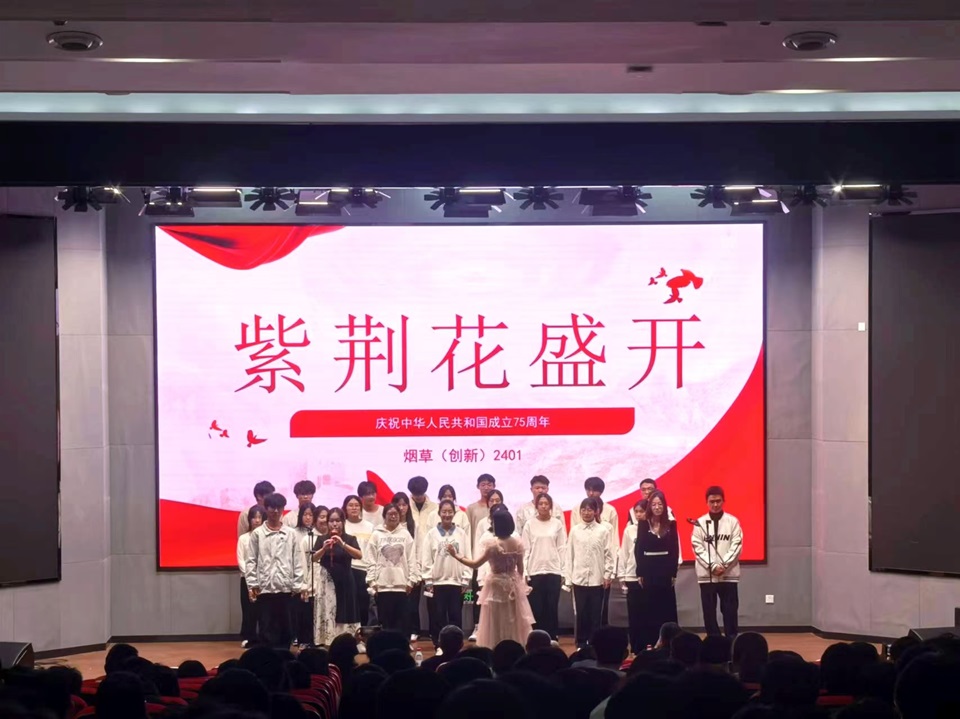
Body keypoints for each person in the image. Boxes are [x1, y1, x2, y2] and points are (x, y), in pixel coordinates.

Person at [446, 509, 535, 648]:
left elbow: (475, 564)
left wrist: (456, 555)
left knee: (495, 620)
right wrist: (514, 580)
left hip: (495, 585)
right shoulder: (517, 543)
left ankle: (495, 648)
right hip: (513, 584)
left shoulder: (493, 545)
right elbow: (521, 569)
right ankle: (515, 648)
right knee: (513, 619)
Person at [244, 492, 307, 649]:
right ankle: (268, 657)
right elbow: (251, 560)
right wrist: (252, 584)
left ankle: (285, 654)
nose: (276, 511)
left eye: (279, 507)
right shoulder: (258, 534)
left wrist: (297, 585)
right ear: (266, 509)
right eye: (272, 507)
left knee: (286, 628)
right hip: (265, 589)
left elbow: (297, 560)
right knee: (266, 628)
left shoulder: (291, 534)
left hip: (286, 589)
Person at [692, 485, 743, 638]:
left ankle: (731, 641)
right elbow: (697, 547)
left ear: (723, 501)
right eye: (712, 501)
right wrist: (712, 566)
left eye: (718, 501)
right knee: (709, 612)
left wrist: (723, 565)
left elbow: (737, 545)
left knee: (730, 610)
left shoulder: (733, 522)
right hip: (707, 576)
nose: (715, 504)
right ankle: (714, 642)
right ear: (706, 502)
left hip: (729, 575)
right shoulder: (700, 523)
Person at [421, 499, 472, 647]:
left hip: (457, 583)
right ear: (439, 513)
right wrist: (428, 580)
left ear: (454, 514)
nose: (447, 515)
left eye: (450, 512)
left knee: (456, 617)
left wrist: (465, 579)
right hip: (437, 583)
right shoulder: (431, 534)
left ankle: (456, 645)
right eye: (444, 511)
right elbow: (426, 559)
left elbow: (467, 557)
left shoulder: (461, 534)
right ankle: (439, 645)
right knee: (438, 617)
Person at [566, 497, 614, 649]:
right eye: (584, 510)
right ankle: (581, 643)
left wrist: (607, 575)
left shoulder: (603, 531)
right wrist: (568, 578)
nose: (586, 513)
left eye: (590, 509)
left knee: (595, 614)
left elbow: (609, 554)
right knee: (581, 613)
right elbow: (569, 554)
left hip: (597, 579)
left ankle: (594, 643)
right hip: (579, 578)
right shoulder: (575, 531)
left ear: (596, 511)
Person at [634, 490, 679, 650]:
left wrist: (673, 572)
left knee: (666, 605)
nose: (657, 507)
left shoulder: (671, 524)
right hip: (649, 569)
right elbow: (639, 549)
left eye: (660, 504)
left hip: (665, 569)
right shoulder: (643, 524)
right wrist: (640, 571)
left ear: (664, 506)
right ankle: (651, 642)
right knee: (650, 606)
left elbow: (674, 549)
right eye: (654, 504)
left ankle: (669, 642)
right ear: (649, 506)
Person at [312, 507, 363, 646]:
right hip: (327, 581)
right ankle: (327, 640)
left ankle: (346, 641)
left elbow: (359, 555)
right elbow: (313, 558)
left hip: (346, 580)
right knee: (328, 609)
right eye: (331, 521)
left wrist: (342, 544)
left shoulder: (349, 538)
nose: (334, 524)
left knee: (345, 609)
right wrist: (323, 549)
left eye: (338, 521)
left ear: (343, 522)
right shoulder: (321, 539)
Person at [573, 477, 619, 625]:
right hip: (581, 570)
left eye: (595, 490)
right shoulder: (577, 509)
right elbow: (573, 542)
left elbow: (613, 543)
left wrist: (610, 572)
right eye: (588, 490)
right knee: (582, 610)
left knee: (600, 609)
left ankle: (600, 635)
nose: (591, 493)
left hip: (600, 570)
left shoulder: (610, 511)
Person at [365, 503, 417, 634]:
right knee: (385, 622)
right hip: (382, 586)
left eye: (396, 514)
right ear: (384, 516)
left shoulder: (405, 534)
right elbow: (371, 559)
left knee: (402, 621)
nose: (393, 517)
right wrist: (372, 581)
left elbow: (411, 559)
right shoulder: (376, 534)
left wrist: (411, 581)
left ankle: (403, 643)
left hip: (402, 586)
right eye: (390, 514)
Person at [521, 492, 566, 640]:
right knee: (537, 608)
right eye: (541, 503)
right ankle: (537, 638)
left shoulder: (557, 524)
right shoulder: (529, 524)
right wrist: (525, 571)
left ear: (551, 506)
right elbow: (526, 550)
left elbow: (562, 548)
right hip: (535, 571)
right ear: (536, 506)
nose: (544, 506)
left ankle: (552, 637)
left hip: (553, 570)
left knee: (551, 607)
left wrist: (563, 571)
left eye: (546, 504)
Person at [343, 494, 375, 639]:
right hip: (347, 569)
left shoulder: (369, 526)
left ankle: (362, 635)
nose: (354, 508)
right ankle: (348, 635)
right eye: (350, 505)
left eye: (356, 505)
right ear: (345, 508)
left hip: (364, 569)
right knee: (348, 603)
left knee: (363, 603)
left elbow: (372, 550)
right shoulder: (342, 525)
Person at [392, 491, 421, 641]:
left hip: (411, 570)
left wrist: (417, 571)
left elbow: (418, 548)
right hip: (394, 570)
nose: (402, 508)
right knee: (397, 605)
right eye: (399, 505)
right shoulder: (389, 526)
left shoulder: (413, 525)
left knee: (412, 605)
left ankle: (414, 630)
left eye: (404, 505)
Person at [618, 498, 646, 654]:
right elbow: (624, 554)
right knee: (634, 615)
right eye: (636, 512)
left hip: (648, 577)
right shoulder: (629, 530)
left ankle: (648, 645)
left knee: (648, 613)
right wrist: (622, 577)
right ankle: (635, 647)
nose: (639, 514)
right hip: (631, 576)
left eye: (642, 511)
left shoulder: (654, 528)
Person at [237, 505, 267, 648]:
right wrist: (250, 575)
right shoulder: (243, 538)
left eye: (259, 517)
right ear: (249, 520)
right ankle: (248, 637)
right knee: (249, 609)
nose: (257, 520)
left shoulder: (266, 537)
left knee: (263, 610)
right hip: (247, 580)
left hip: (264, 579)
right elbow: (241, 560)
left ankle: (264, 638)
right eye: (254, 517)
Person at [293, 503, 318, 646]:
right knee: (299, 610)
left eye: (311, 515)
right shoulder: (294, 533)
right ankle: (299, 637)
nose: (308, 518)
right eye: (305, 514)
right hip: (298, 574)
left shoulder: (317, 533)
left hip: (313, 576)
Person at [466, 473, 497, 542]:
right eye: (483, 485)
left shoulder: (498, 508)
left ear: (494, 486)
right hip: (477, 544)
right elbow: (468, 531)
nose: (486, 488)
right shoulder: (471, 508)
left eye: (489, 485)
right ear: (478, 486)